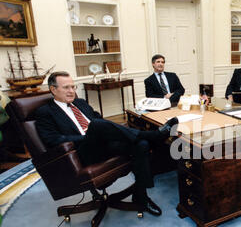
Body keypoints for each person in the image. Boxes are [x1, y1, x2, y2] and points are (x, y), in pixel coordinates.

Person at [35, 71, 179, 215]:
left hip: (103, 145)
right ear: (53, 89)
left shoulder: (80, 103)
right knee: (96, 125)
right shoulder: (45, 112)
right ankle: (153, 135)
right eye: (66, 87)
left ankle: (141, 196)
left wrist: (104, 133)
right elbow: (53, 140)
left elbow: (102, 122)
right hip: (82, 153)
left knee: (141, 145)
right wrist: (89, 135)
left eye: (73, 87)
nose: (72, 91)